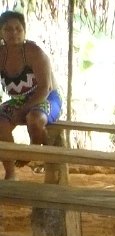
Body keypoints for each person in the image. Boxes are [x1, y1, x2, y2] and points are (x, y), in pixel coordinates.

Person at [0, 10, 62, 180]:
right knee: (0, 123)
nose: (14, 33)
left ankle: (32, 149)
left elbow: (44, 88)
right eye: (8, 29)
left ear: (24, 31)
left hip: (47, 97)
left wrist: (23, 110)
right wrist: (19, 108)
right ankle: (10, 172)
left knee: (34, 119)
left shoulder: (35, 53)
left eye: (18, 29)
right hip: (19, 100)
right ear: (1, 32)